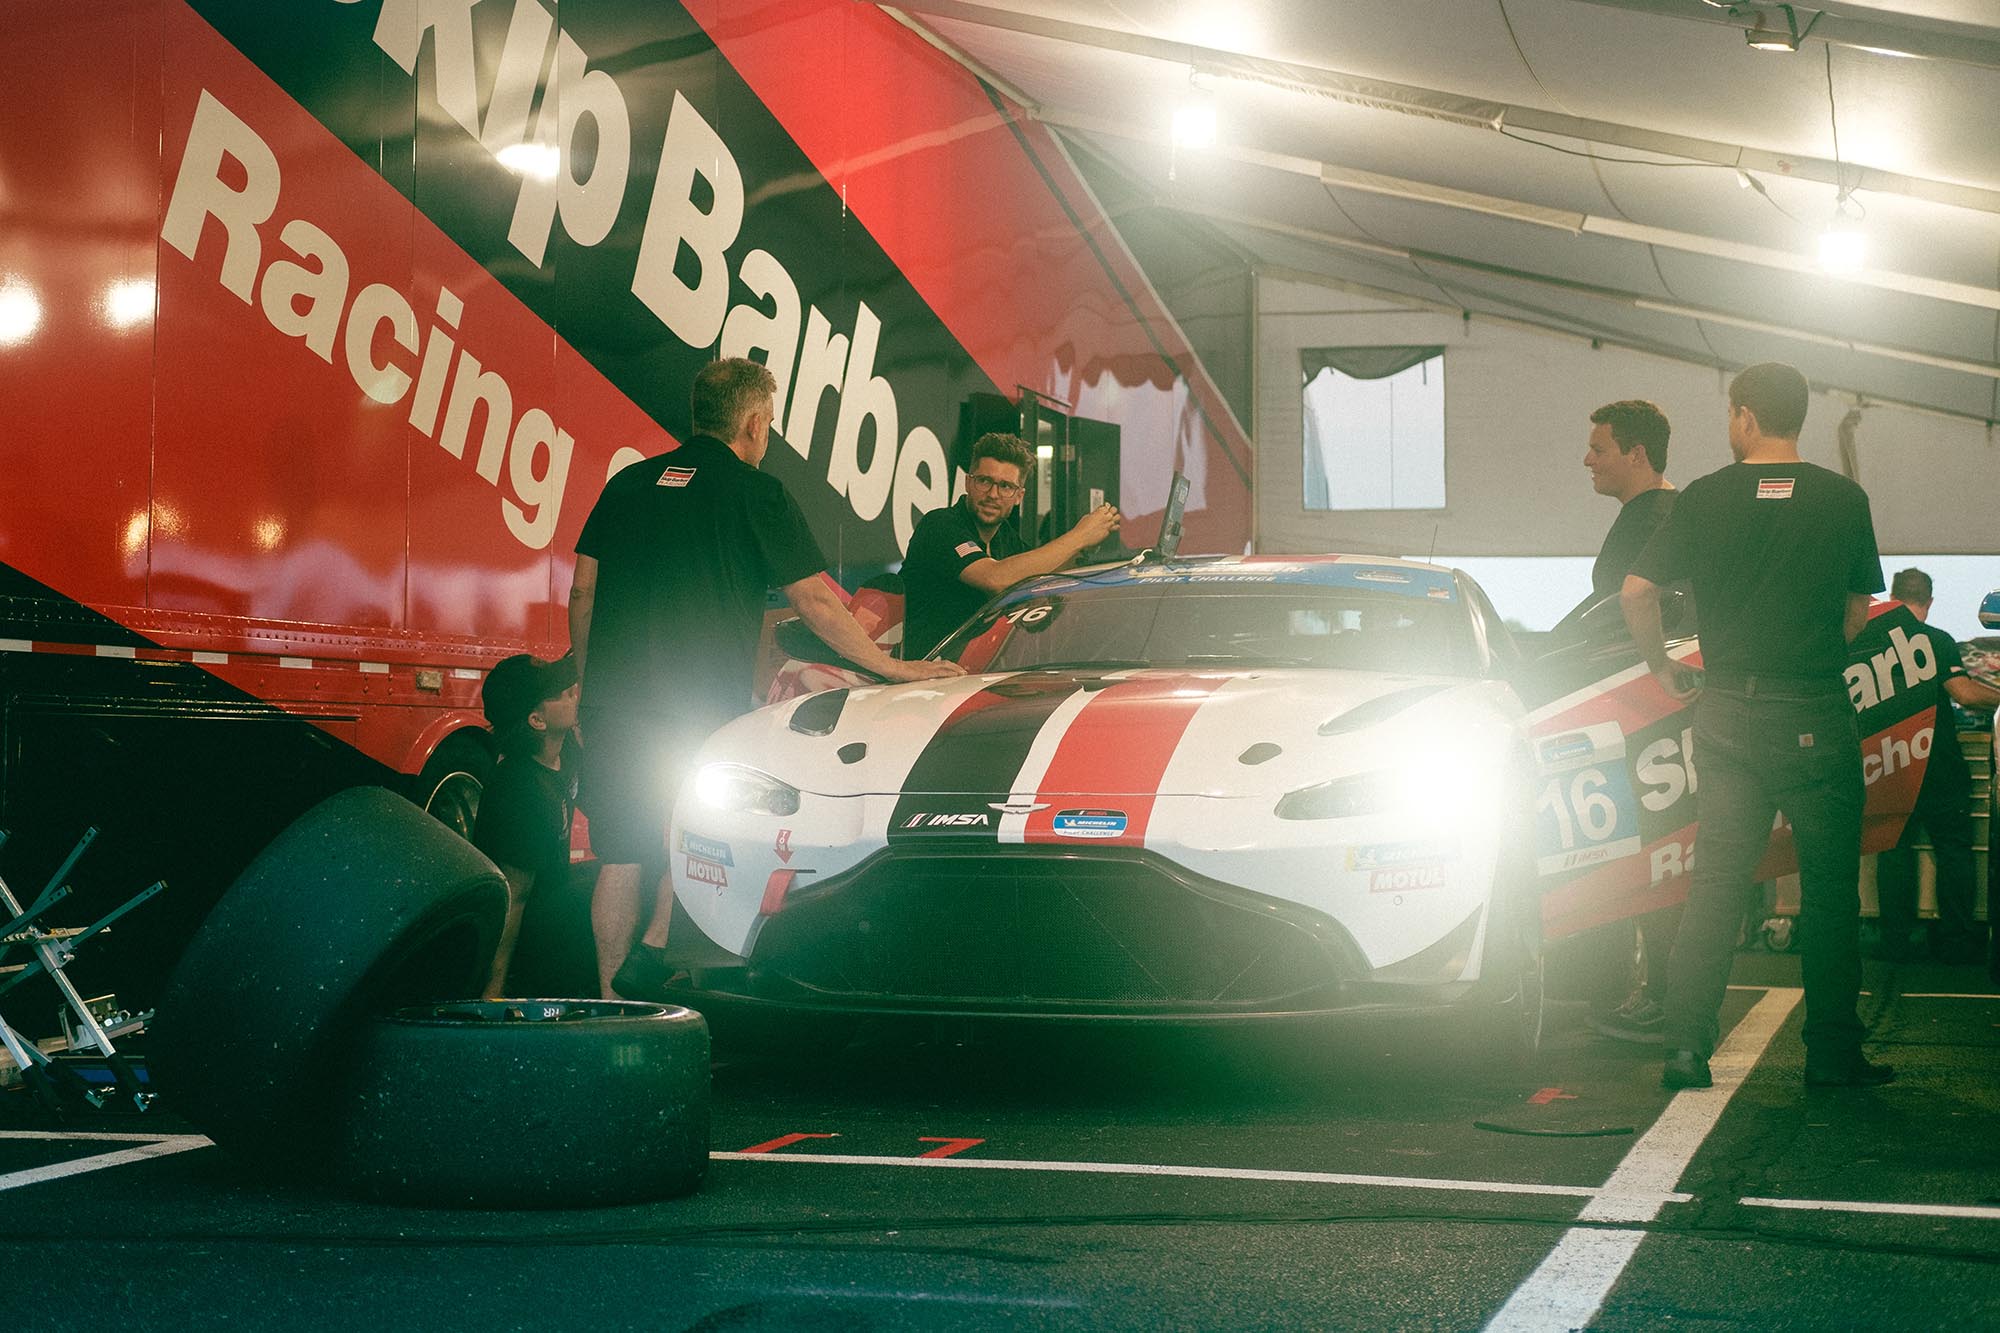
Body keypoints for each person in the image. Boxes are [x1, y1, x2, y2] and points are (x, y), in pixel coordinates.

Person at [568, 358, 962, 1000]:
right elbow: (815, 601)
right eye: (769, 424)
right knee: (686, 827)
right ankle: (657, 944)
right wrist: (888, 665)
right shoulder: (758, 493)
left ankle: (612, 1002)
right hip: (696, 704)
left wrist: (591, 683)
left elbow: (583, 592)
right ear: (752, 423)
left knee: (620, 853)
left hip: (615, 701)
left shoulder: (627, 484)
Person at [1623, 361, 1890, 1090]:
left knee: (1715, 884)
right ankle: (1832, 1054)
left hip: (1727, 712)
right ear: (1796, 417)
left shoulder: (1705, 497)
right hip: (1810, 706)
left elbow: (1637, 592)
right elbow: (1859, 608)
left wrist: (1662, 670)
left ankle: (1684, 1047)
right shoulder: (1843, 498)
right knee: (1832, 887)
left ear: (1743, 416)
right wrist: (1812, 654)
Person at [1572, 401, 1684, 1044]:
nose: (1587, 459)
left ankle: (1662, 1000)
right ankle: (1654, 994)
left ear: (1636, 453)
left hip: (1646, 713)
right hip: (1643, 708)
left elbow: (1623, 611)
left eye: (1599, 448)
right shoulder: (1656, 515)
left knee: (1656, 859)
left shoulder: (1660, 517)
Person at [899, 432, 1122, 659]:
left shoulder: (1005, 538)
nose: (993, 494)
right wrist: (1080, 536)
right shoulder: (940, 525)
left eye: (1006, 486)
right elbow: (995, 578)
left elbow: (1043, 575)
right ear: (968, 482)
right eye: (985, 481)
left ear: (1019, 496)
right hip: (923, 677)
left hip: (974, 674)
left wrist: (1085, 547)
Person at [1874, 568, 2000, 963]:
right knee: (1954, 849)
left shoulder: (1871, 644)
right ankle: (1956, 941)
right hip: (1937, 762)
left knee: (1894, 850)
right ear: (1929, 602)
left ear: (1893, 598)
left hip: (1890, 760)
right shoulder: (1935, 640)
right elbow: (1963, 692)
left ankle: (1894, 941)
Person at [472, 652, 581, 1001]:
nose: (572, 692)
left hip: (551, 906)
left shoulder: (566, 755)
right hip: (533, 932)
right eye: (559, 693)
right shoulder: (520, 790)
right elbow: (513, 898)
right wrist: (493, 992)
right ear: (536, 720)